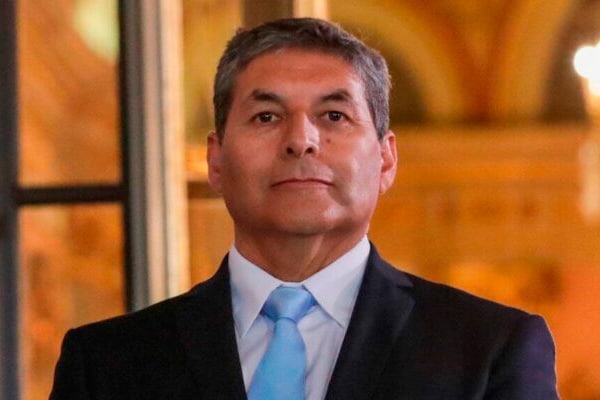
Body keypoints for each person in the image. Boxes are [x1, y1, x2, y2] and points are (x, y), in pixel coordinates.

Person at [50, 17, 558, 399]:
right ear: (216, 160)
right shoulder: (105, 365)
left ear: (385, 159)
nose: (302, 140)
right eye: (266, 116)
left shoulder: (490, 351)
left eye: (333, 115)